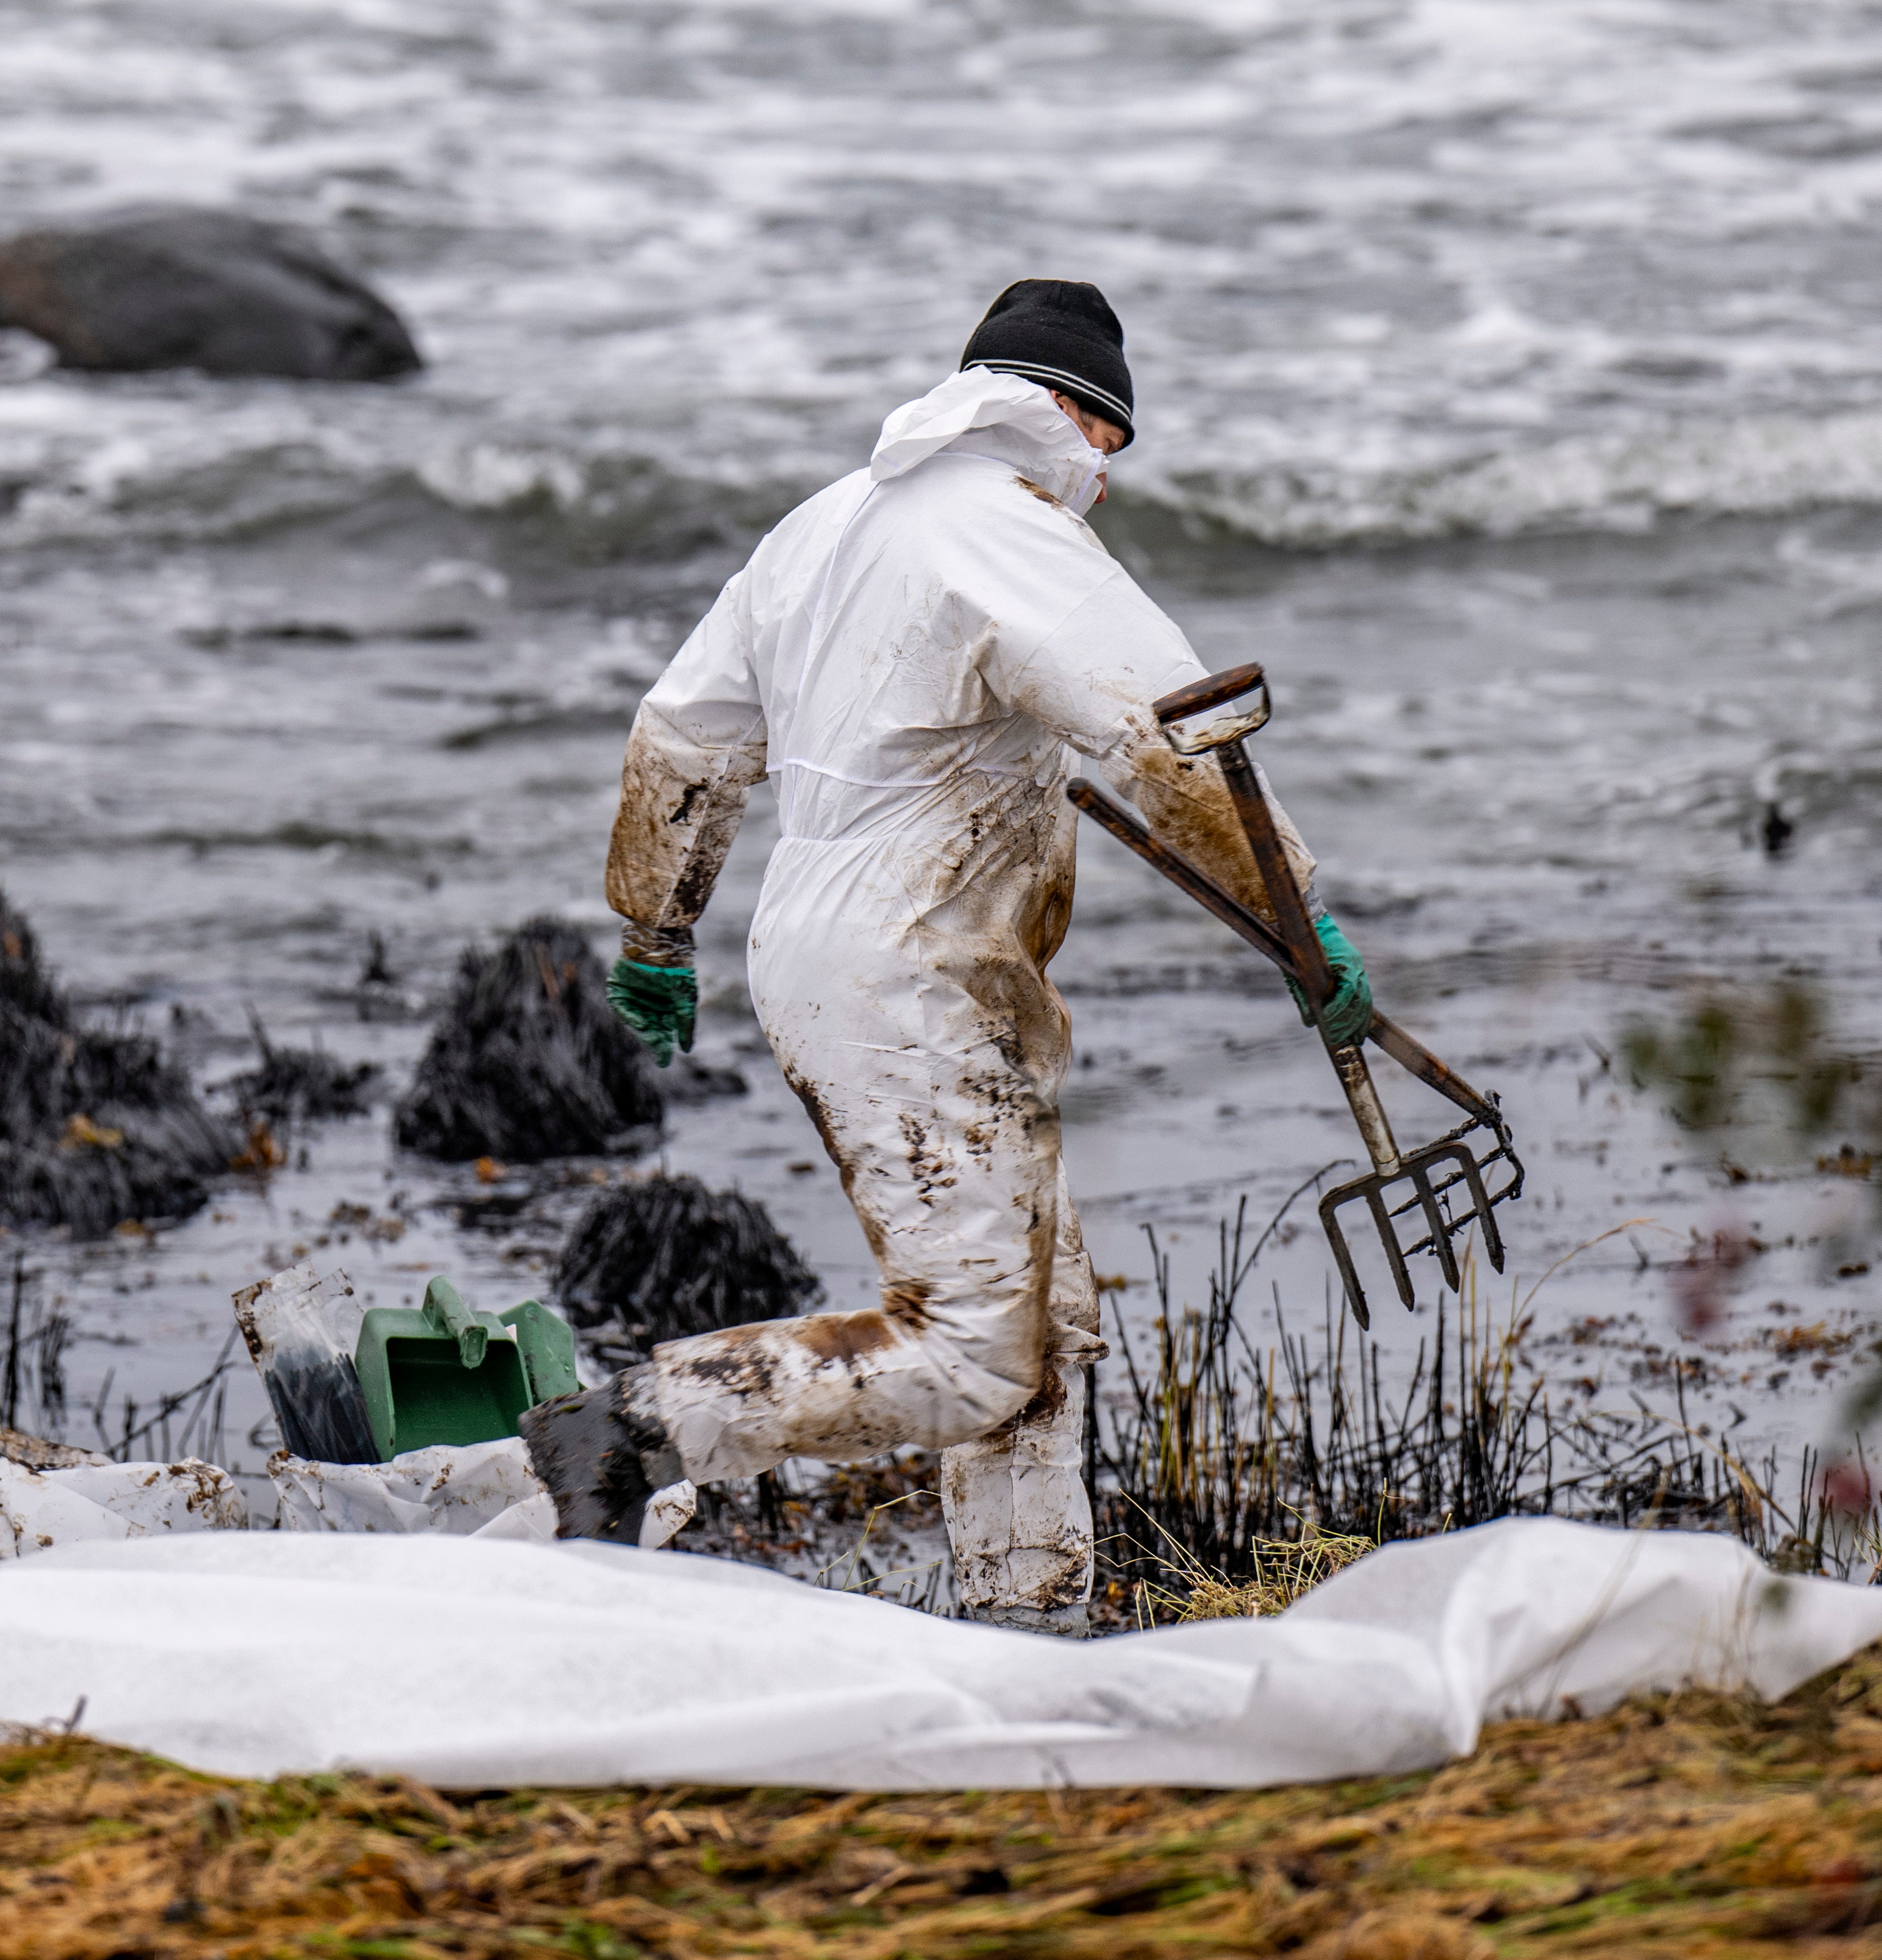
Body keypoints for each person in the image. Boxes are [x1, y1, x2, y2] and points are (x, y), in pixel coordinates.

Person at [520, 280, 1373, 1632]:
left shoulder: (820, 528)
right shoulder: (1008, 534)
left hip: (837, 956)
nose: (1103, 475)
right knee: (974, 1351)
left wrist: (656, 925)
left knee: (1043, 1326)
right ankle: (632, 1424)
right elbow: (1165, 730)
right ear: (1079, 422)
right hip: (904, 973)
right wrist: (1296, 913)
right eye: (1108, 446)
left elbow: (684, 734)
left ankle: (1026, 1622)